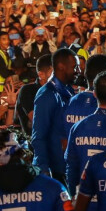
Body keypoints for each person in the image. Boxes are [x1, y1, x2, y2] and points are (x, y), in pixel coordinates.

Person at [31, 48, 81, 181]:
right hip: (54, 172)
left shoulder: (67, 90)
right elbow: (38, 136)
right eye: (75, 67)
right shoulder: (47, 94)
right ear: (61, 66)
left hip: (66, 167)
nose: (78, 71)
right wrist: (44, 170)